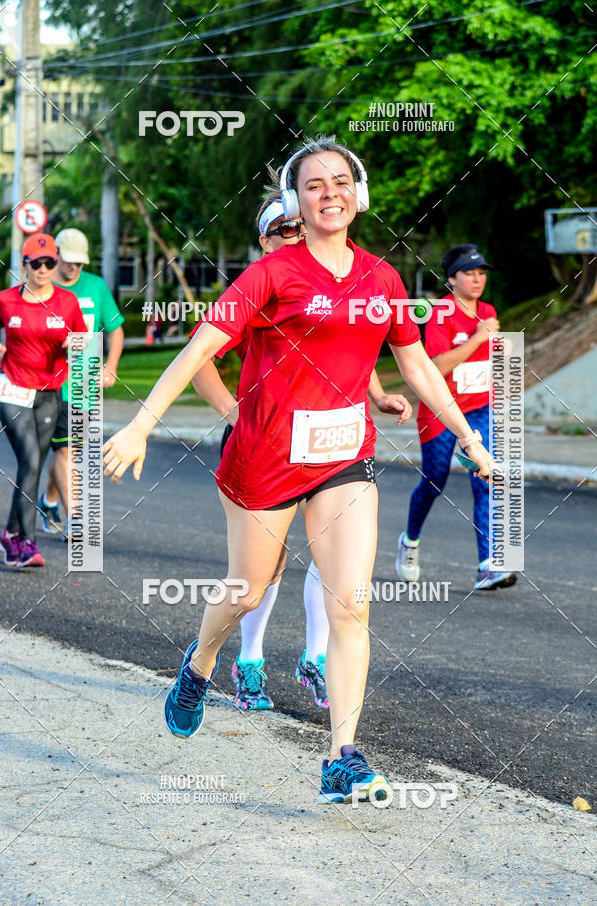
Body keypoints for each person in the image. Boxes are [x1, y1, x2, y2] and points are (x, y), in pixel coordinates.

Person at [104, 136, 493, 805]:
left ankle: (341, 757)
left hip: (345, 457)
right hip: (265, 457)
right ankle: (201, 662)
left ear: (358, 194)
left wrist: (467, 437)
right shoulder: (271, 275)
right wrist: (141, 423)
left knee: (352, 602)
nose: (329, 193)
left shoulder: (382, 279)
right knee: (248, 590)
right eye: (314, 185)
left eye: (340, 181)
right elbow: (198, 350)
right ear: (297, 202)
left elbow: (418, 366)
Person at [190, 178, 413, 711]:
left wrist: (377, 394)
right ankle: (245, 662)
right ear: (263, 240)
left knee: (334, 561)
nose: (293, 234)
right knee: (263, 572)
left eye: (297, 225)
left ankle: (317, 658)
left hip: (333, 445)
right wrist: (234, 413)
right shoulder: (260, 285)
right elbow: (198, 360)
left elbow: (348, 346)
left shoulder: (336, 279)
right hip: (263, 441)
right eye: (282, 228)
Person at [395, 244, 517, 591]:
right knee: (435, 481)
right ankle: (410, 541)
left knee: (485, 479)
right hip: (441, 412)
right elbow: (435, 366)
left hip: (478, 408)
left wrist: (501, 348)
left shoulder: (488, 311)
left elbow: (490, 359)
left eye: (481, 273)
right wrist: (479, 337)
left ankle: (488, 566)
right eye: (468, 273)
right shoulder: (440, 313)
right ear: (451, 279)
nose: (477, 279)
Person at [0, 233, 86, 567]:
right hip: (12, 388)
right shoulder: (5, 300)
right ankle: (26, 543)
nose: (44, 269)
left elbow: (83, 338)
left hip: (49, 393)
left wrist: (77, 345)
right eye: (37, 263)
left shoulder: (67, 302)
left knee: (30, 466)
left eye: (50, 263)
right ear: (24, 265)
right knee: (31, 461)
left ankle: (9, 535)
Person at [37, 228, 124, 537]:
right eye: (69, 260)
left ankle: (49, 502)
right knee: (65, 451)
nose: (74, 267)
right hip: (47, 385)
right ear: (56, 255)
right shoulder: (42, 286)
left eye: (79, 262)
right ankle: (75, 518)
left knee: (66, 450)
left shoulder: (96, 287)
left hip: (83, 386)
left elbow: (115, 330)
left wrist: (111, 366)